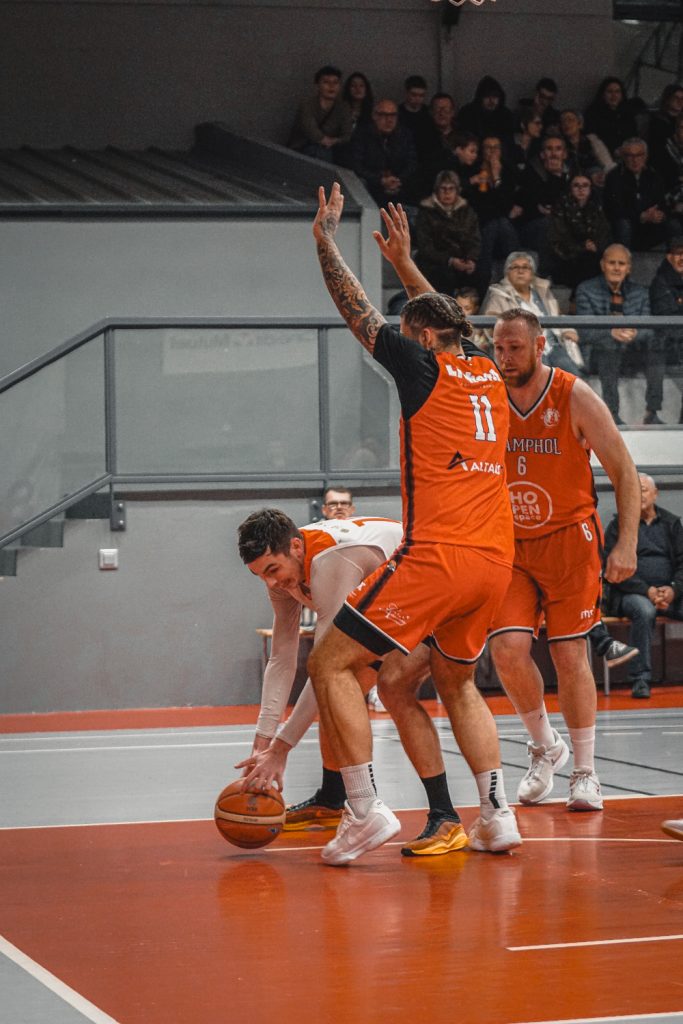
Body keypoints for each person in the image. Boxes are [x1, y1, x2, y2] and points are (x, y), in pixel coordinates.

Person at [309, 183, 521, 865]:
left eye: (411, 335)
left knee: (329, 662)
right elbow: (446, 318)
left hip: (439, 556)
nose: (403, 342)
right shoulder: (485, 371)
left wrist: (326, 243)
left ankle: (363, 809)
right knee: (450, 682)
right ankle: (496, 815)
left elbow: (357, 310)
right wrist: (404, 263)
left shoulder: (421, 366)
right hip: (494, 563)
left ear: (423, 340)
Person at [487, 308, 640, 812]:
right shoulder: (488, 394)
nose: (505, 357)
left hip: (569, 540)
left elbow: (623, 470)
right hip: (511, 542)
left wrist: (627, 543)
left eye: (514, 348)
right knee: (507, 651)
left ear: (540, 345)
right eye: (498, 348)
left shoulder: (573, 394)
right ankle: (545, 747)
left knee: (569, 653)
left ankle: (585, 772)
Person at [235, 510, 434, 834]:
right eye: (260, 576)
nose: (271, 583)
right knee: (336, 694)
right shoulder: (284, 572)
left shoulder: (330, 562)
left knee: (361, 688)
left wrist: (281, 748)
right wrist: (262, 744)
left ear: (296, 548)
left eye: (272, 570)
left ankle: (432, 812)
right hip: (385, 601)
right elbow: (282, 658)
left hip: (425, 589)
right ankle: (333, 798)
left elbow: (326, 666)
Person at [603, 473, 683, 699]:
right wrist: (646, 591)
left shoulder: (671, 524)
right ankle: (640, 679)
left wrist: (673, 589)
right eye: (634, 491)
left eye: (644, 490)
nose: (639, 495)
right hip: (631, 594)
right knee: (644, 610)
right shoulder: (618, 526)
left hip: (670, 593)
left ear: (655, 494)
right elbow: (612, 568)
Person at [320, 486, 388, 713]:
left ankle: (376, 690)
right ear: (324, 509)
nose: (339, 508)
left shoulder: (366, 536)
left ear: (352, 508)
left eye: (344, 503)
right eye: (333, 504)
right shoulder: (317, 540)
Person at [575, 244, 658, 426]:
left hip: (632, 352)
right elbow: (583, 331)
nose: (616, 268)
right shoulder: (586, 290)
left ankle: (653, 412)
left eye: (621, 263)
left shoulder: (641, 293)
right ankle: (611, 415)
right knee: (609, 347)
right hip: (598, 355)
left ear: (629, 268)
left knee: (657, 348)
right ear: (602, 265)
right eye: (612, 263)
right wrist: (611, 333)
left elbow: (650, 328)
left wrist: (635, 333)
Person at [481, 251, 585, 376]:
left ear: (532, 273)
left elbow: (557, 315)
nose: (520, 271)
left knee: (573, 378)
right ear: (507, 273)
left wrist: (567, 330)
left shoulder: (543, 292)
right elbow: (491, 328)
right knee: (542, 377)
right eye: (515, 267)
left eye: (525, 267)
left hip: (552, 345)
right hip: (523, 349)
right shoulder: (498, 296)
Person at [466, 135, 522, 292]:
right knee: (493, 224)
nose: (492, 151)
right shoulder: (473, 170)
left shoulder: (508, 171)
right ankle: (483, 285)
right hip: (481, 226)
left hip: (505, 230)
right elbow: (478, 205)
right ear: (482, 151)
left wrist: (497, 178)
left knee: (500, 223)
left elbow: (505, 205)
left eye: (495, 147)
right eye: (488, 147)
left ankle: (516, 281)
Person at [414, 170, 481, 294]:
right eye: (443, 188)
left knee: (481, 273)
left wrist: (471, 259)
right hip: (436, 262)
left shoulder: (467, 211)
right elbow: (425, 247)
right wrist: (450, 260)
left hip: (462, 259)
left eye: (451, 189)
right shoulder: (426, 212)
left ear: (457, 191)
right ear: (436, 190)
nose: (447, 193)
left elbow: (474, 239)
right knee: (444, 276)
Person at [547, 173, 612, 293]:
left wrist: (595, 246)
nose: (581, 189)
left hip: (592, 257)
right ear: (570, 188)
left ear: (591, 188)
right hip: (566, 260)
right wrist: (582, 247)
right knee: (587, 262)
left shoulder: (597, 207)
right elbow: (557, 242)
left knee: (595, 261)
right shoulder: (560, 208)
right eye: (576, 185)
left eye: (585, 185)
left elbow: (604, 234)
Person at [603, 139, 669, 252]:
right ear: (623, 157)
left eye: (639, 155)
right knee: (623, 224)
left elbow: (662, 202)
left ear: (646, 156)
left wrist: (659, 214)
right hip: (628, 225)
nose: (635, 160)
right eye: (630, 155)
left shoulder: (653, 175)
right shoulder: (613, 177)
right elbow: (614, 210)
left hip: (650, 224)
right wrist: (641, 216)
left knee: (673, 224)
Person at [350, 99, 417, 207]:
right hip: (371, 184)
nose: (389, 120)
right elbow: (356, 165)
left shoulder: (405, 135)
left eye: (393, 115)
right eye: (384, 115)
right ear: (374, 116)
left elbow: (411, 163)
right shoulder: (362, 135)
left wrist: (398, 180)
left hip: (398, 184)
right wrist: (380, 180)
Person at [288, 65, 353, 163]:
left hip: (332, 149)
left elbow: (347, 135)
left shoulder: (343, 108)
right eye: (326, 82)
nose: (331, 86)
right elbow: (311, 130)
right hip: (303, 148)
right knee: (318, 152)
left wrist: (334, 141)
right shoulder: (307, 104)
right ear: (317, 85)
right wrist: (325, 140)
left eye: (335, 82)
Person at [649, 235, 683, 424]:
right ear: (669, 257)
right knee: (656, 352)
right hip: (666, 343)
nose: (682, 258)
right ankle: (651, 413)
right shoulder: (660, 281)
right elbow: (665, 314)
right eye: (678, 253)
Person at [456, 76, 515, 155]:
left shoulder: (506, 115)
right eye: (487, 96)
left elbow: (509, 143)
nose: (491, 100)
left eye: (495, 96)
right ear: (480, 98)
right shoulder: (468, 113)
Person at [559, 109, 615, 188]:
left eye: (570, 120)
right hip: (573, 184)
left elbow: (608, 163)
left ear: (580, 124)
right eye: (563, 121)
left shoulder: (592, 139)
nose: (566, 123)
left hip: (597, 182)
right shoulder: (559, 145)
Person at [584, 77, 638, 158]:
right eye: (610, 92)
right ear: (603, 94)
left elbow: (634, 136)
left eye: (617, 92)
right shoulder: (593, 113)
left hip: (628, 154)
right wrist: (614, 150)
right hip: (603, 156)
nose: (614, 95)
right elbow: (592, 139)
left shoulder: (627, 113)